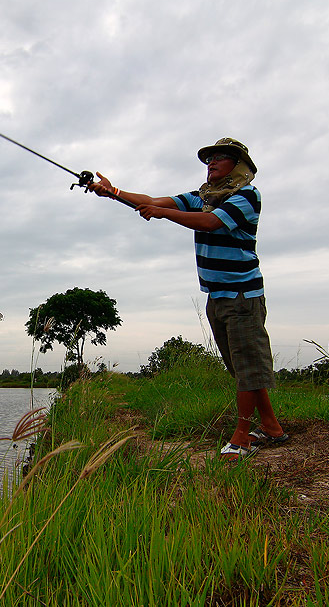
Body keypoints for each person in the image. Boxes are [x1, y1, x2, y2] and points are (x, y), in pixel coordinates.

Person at [88, 138, 287, 458]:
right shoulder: (202, 197)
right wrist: (113, 193)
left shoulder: (247, 196)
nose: (211, 162)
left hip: (242, 295)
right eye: (208, 158)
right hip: (217, 297)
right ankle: (272, 426)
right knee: (242, 369)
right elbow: (153, 200)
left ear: (238, 165)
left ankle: (243, 436)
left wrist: (163, 214)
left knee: (248, 368)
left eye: (220, 158)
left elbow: (211, 223)